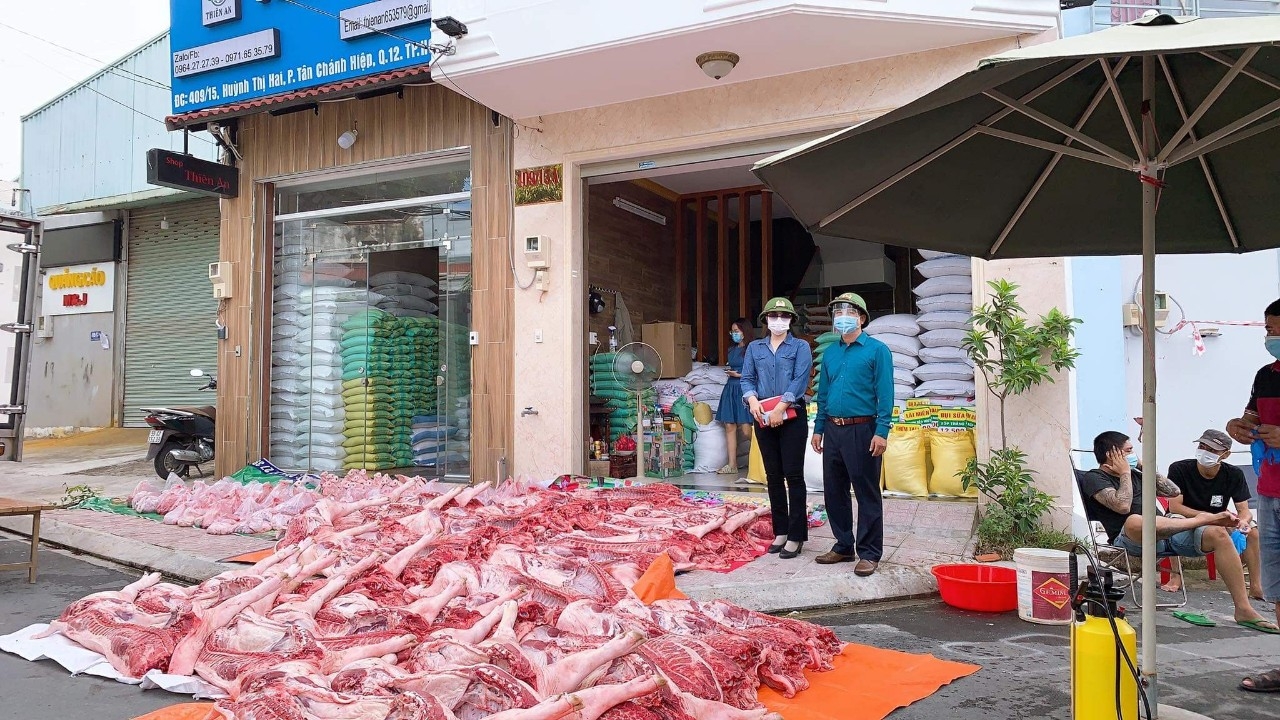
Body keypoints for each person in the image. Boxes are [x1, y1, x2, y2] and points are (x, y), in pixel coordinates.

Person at [1080, 431, 1273, 633]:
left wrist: (1141, 466)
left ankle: (1243, 608)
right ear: (1113, 455)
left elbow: (1173, 492)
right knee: (1135, 521)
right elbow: (1122, 505)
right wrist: (1125, 473)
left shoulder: (1138, 473)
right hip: (1131, 539)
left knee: (1218, 533)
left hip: (1168, 530)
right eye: (1129, 451)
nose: (1133, 454)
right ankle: (1202, 520)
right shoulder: (1095, 477)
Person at [810, 292, 893, 577]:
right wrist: (819, 428)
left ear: (861, 317)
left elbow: (886, 393)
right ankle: (843, 544)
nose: (841, 316)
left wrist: (882, 431)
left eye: (848, 311)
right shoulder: (832, 352)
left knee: (866, 491)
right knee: (834, 490)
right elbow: (823, 393)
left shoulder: (877, 350)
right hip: (833, 427)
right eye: (837, 311)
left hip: (863, 428)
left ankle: (869, 552)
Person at [1227, 298, 1280, 692]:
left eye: (1275, 330)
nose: (1269, 337)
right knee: (1277, 583)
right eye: (1267, 330)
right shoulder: (1266, 375)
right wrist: (1238, 426)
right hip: (1269, 491)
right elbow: (1251, 418)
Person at [741, 297, 813, 560]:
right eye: (774, 316)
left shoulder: (800, 347)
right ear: (766, 320)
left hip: (791, 415)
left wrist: (780, 409)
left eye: (784, 316)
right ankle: (780, 531)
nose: (779, 321)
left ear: (791, 320)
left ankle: (796, 535)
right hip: (762, 415)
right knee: (773, 475)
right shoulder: (754, 348)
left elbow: (799, 379)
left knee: (793, 475)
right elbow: (747, 378)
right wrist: (751, 400)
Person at [1163, 429, 1261, 600]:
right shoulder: (1179, 468)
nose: (1205, 451)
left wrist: (1243, 521)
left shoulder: (1234, 474)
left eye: (1212, 449)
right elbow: (1175, 507)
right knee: (1174, 524)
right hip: (1185, 516)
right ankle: (1175, 575)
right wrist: (1210, 517)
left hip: (1218, 519)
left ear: (1225, 455)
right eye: (1202, 446)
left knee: (1253, 532)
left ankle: (1256, 586)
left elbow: (1243, 510)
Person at [716, 318, 754, 475]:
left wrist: (740, 374)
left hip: (745, 388)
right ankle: (732, 464)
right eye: (732, 332)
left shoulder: (753, 349)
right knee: (729, 426)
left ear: (745, 332)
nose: (734, 334)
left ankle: (760, 461)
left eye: (737, 331)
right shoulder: (731, 350)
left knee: (746, 428)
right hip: (730, 388)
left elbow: (756, 371)